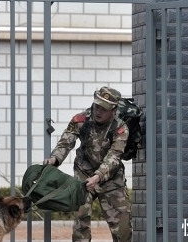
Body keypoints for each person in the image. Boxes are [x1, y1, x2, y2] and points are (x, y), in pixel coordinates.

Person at [43, 86, 132, 242]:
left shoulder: (120, 128)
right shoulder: (81, 119)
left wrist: (98, 176)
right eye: (97, 105)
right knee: (81, 219)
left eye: (104, 109)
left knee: (123, 229)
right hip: (83, 172)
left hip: (111, 178)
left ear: (113, 110)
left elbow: (114, 156)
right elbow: (65, 143)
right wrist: (53, 160)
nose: (98, 111)